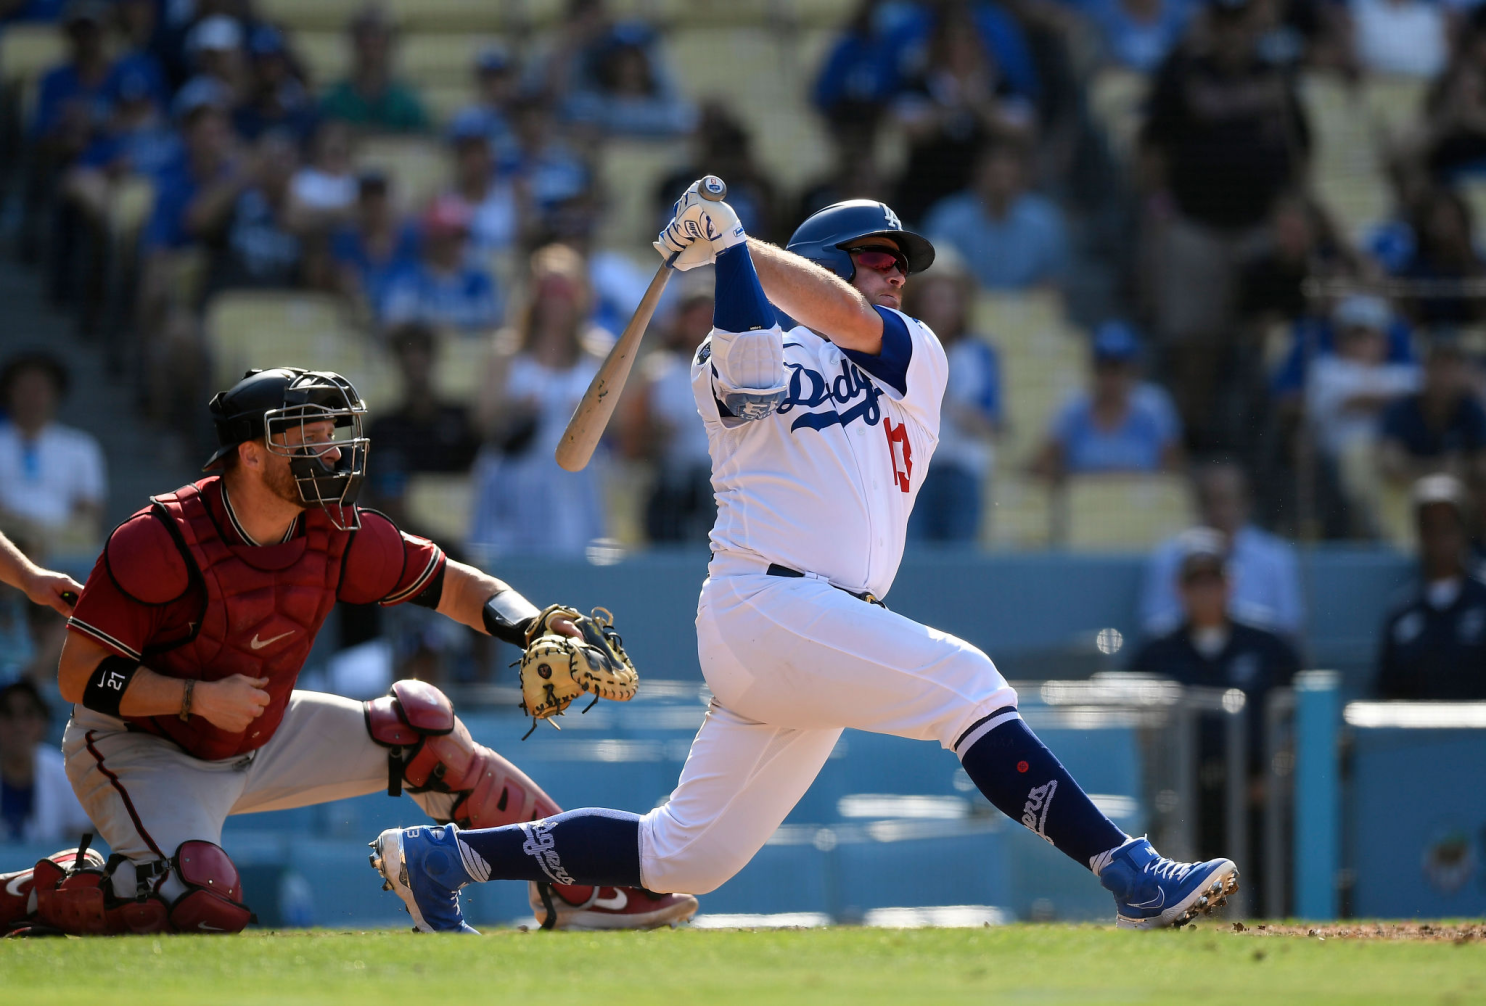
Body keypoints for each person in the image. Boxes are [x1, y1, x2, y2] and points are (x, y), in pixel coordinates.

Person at [373, 191, 1238, 932]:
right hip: (764, 602)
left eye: (902, 261)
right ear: (826, 260)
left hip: (820, 626)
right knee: (968, 684)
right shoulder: (722, 354)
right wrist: (730, 255)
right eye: (878, 256)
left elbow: (845, 317)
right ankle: (1129, 871)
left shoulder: (917, 353)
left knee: (686, 855)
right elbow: (753, 370)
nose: (898, 273)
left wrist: (734, 242)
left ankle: (443, 858)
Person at [4, 367, 695, 935]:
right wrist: (195, 698)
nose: (331, 450)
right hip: (142, 745)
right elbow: (80, 677)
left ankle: (580, 886)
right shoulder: (158, 539)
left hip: (257, 728)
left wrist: (534, 625)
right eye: (305, 436)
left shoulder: (334, 529)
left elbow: (456, 586)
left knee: (424, 736)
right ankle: (37, 894)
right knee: (196, 897)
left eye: (329, 433)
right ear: (250, 454)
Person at [1125, 529, 1299, 899]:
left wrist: (1277, 775)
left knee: (1266, 890)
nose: (1205, 591)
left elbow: (1302, 714)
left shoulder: (1268, 646)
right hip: (1182, 796)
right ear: (1179, 588)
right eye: (1196, 582)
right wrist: (1156, 783)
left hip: (1252, 795)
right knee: (1182, 893)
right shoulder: (1156, 652)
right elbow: (1133, 721)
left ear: (1229, 583)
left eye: (1213, 580)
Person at [468, 244, 605, 560]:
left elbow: (619, 424)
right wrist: (515, 411)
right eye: (547, 292)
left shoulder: (597, 355)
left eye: (563, 292)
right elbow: (482, 421)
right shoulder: (508, 354)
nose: (555, 302)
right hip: (514, 477)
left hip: (573, 484)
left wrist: (587, 417)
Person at [1139, 461, 1304, 638]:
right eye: (1208, 501)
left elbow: (1289, 625)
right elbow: (1153, 625)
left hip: (1256, 651)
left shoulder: (1276, 557)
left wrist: (1231, 620)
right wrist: (1203, 617)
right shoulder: (1168, 557)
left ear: (1246, 503)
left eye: (1225, 500)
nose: (1218, 511)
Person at [901, 253, 1000, 542]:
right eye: (933, 298)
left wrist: (947, 400)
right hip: (913, 470)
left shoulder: (980, 353)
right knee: (910, 555)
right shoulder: (906, 348)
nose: (940, 308)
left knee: (960, 557)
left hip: (964, 469)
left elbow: (990, 423)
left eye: (948, 299)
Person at [618, 276, 718, 544]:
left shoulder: (737, 371)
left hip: (722, 487)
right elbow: (632, 445)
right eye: (695, 318)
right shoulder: (657, 373)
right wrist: (655, 433)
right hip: (672, 487)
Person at [1377, 474, 1486, 700]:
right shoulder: (1401, 612)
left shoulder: (1482, 599)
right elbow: (1387, 693)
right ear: (1419, 534)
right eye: (1430, 527)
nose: (1439, 537)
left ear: (1464, 530)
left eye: (1448, 526)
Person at [1032, 321, 1184, 480]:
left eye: (1118, 368)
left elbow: (1174, 470)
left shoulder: (1154, 407)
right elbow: (1040, 466)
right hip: (1087, 495)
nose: (1111, 377)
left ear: (1134, 370)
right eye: (1104, 367)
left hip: (1140, 494)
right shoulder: (1073, 409)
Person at [922, 139, 1069, 291]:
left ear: (1022, 176)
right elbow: (933, 278)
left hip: (1027, 303)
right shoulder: (948, 218)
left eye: (1008, 175)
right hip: (964, 302)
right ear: (978, 172)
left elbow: (1054, 280)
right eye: (996, 174)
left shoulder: (1044, 220)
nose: (1001, 184)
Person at [0, 352, 106, 549]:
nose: (32, 398)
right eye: (24, 390)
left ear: (55, 394)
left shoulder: (81, 446)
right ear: (9, 392)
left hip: (61, 544)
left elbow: (90, 510)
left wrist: (49, 534)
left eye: (39, 390)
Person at [1378, 332, 1486, 488]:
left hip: (1460, 492)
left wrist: (1466, 467)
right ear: (1424, 370)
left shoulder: (1472, 410)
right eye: (1438, 367)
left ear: (1462, 372)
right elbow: (1391, 463)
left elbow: (1483, 463)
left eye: (1451, 368)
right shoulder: (1400, 409)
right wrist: (1438, 468)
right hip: (1411, 491)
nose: (1444, 377)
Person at [380, 197, 502, 333]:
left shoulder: (479, 280)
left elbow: (495, 325)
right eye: (449, 237)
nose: (456, 245)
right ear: (432, 240)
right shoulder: (408, 279)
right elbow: (394, 325)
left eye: (461, 236)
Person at [0, 680, 95, 845]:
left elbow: (83, 834)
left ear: (43, 722)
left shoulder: (64, 772)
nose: (19, 726)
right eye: (8, 715)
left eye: (28, 714)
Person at [319, 6, 429, 133]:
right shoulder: (333, 103)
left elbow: (422, 141)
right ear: (353, 42)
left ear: (390, 43)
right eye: (364, 35)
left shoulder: (408, 105)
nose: (370, 43)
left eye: (377, 36)